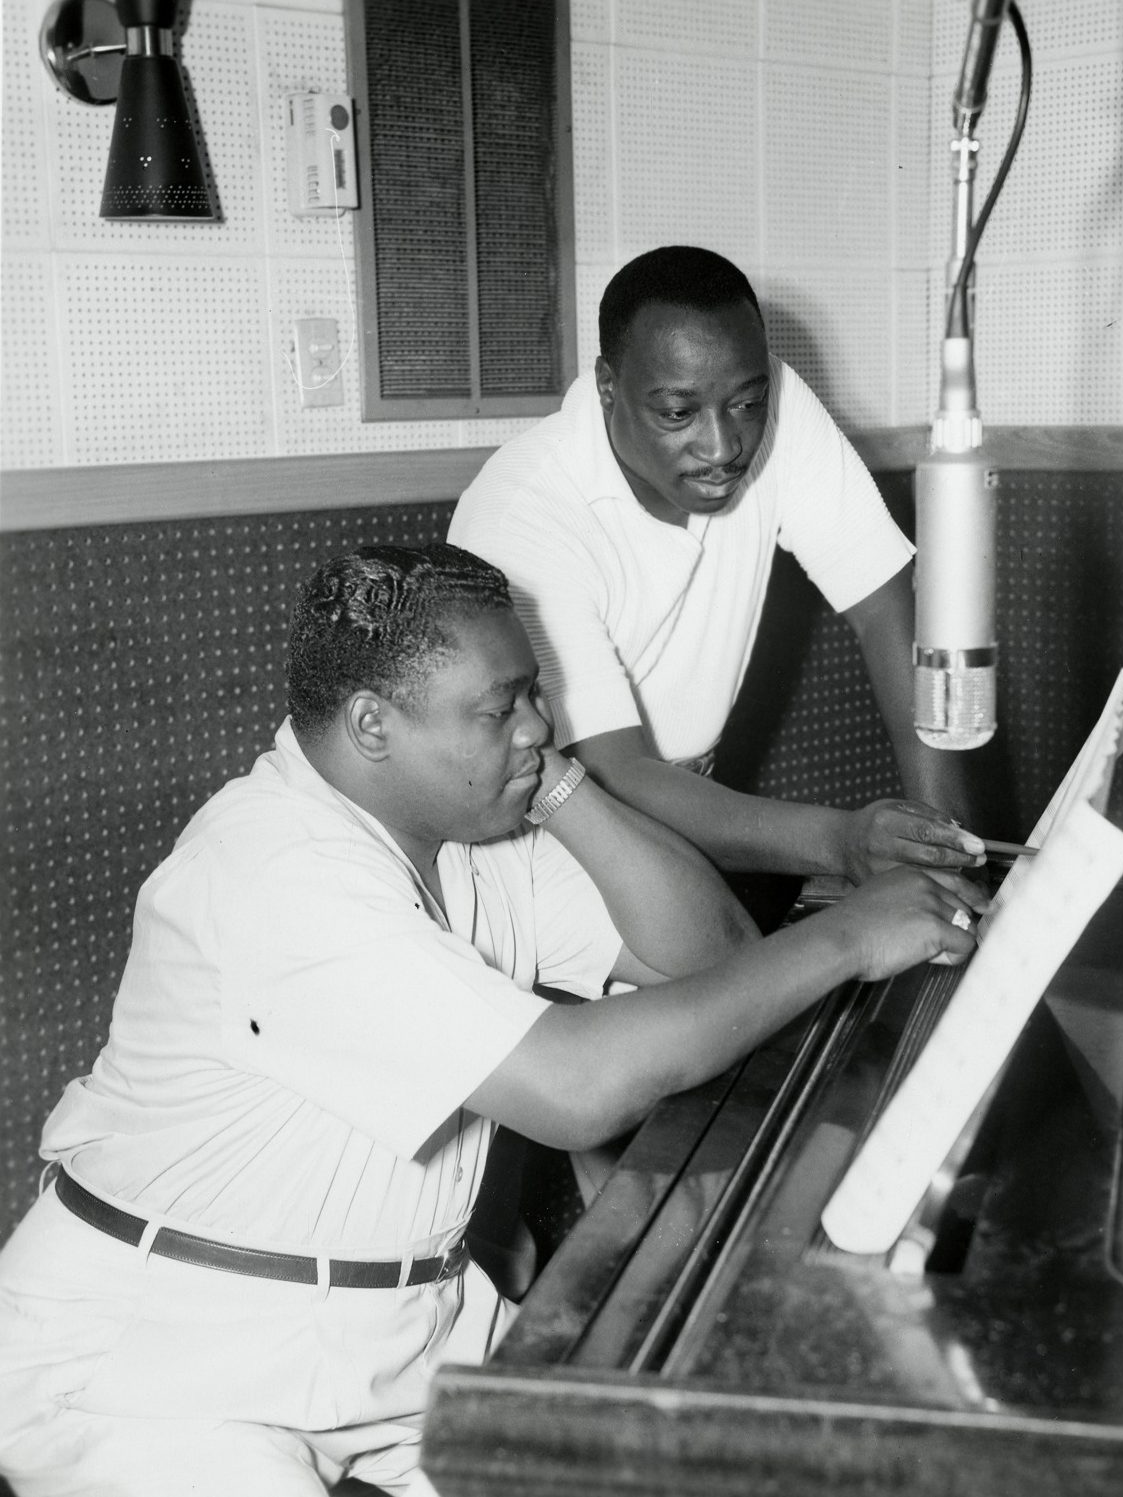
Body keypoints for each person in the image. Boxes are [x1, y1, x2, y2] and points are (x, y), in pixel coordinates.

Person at [0, 545, 986, 1497]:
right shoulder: (274, 873)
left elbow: (711, 953)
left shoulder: (461, 826)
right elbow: (575, 1090)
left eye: (532, 694)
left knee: (645, 1468)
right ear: (372, 725)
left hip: (395, 1331)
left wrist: (556, 783)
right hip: (161, 1367)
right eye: (497, 709)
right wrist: (847, 939)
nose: (537, 724)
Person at [449, 245, 988, 893]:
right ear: (606, 386)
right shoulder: (523, 515)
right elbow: (613, 771)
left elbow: (883, 606)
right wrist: (841, 842)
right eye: (677, 414)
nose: (723, 445)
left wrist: (950, 846)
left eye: (746, 405)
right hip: (555, 836)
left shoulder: (758, 395)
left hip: (692, 806)